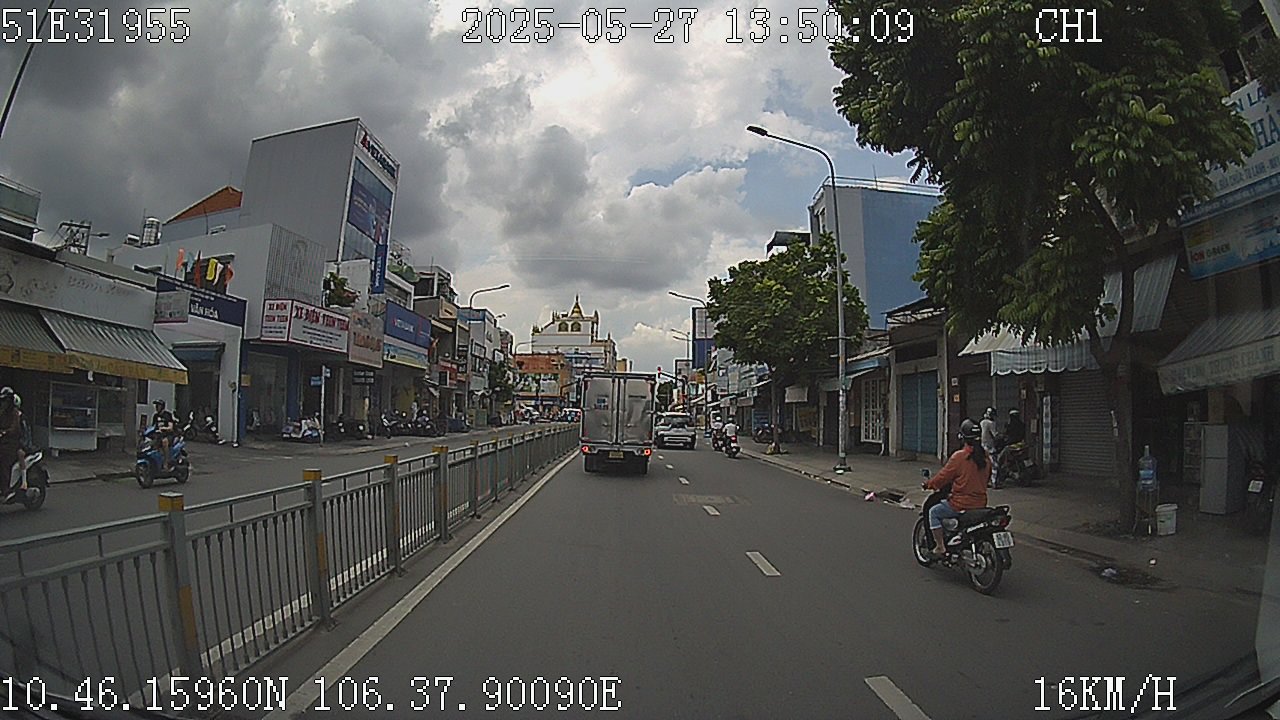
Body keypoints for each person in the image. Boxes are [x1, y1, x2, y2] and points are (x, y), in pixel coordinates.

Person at [921, 418, 991, 558]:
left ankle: (940, 547)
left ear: (962, 438)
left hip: (960, 504)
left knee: (933, 512)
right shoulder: (986, 458)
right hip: (980, 504)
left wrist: (929, 484)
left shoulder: (959, 457)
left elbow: (943, 477)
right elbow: (986, 479)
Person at [0, 387, 22, 502]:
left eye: (5, 400)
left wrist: (6, 432)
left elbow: (15, 427)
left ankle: (6, 490)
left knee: (3, 460)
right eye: (2, 400)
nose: (3, 403)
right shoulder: (2, 412)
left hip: (12, 442)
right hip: (3, 441)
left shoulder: (15, 413)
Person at [152, 399, 177, 471]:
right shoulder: (155, 416)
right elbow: (153, 427)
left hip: (168, 435)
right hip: (158, 435)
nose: (156, 407)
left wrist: (163, 428)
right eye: (156, 405)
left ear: (162, 406)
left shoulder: (167, 415)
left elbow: (170, 427)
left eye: (158, 405)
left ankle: (166, 462)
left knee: (164, 442)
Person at [980, 407, 999, 487]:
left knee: (985, 465)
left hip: (982, 446)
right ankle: (994, 482)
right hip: (990, 446)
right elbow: (995, 434)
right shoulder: (991, 423)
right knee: (994, 465)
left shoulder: (982, 422)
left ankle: (985, 481)